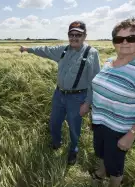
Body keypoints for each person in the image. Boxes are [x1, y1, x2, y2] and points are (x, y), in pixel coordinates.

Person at [90, 17, 135, 187]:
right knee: (102, 154)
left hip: (119, 128)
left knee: (115, 164)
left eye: (131, 38)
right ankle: (100, 173)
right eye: (119, 39)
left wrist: (131, 135)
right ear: (113, 42)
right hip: (100, 122)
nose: (124, 43)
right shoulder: (109, 61)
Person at [20, 21, 100, 165]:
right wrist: (28, 49)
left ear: (85, 35)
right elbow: (45, 50)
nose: (74, 37)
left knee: (74, 126)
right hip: (59, 94)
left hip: (77, 97)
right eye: (71, 34)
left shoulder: (91, 53)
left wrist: (88, 103)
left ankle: (73, 149)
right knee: (54, 122)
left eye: (78, 35)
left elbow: (94, 81)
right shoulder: (63, 50)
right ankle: (56, 143)